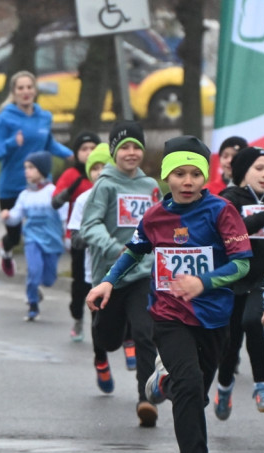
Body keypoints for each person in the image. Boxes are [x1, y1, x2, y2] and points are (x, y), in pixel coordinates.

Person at [87, 136, 252, 453]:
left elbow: (241, 264)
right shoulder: (155, 216)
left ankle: (162, 383)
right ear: (166, 176)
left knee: (192, 391)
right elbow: (135, 250)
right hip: (168, 315)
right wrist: (109, 281)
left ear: (205, 176)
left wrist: (203, 282)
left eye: (196, 173)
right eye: (180, 173)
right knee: (191, 386)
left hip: (212, 318)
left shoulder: (222, 212)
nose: (188, 180)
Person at [79, 122, 162, 426]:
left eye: (136, 147)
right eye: (124, 147)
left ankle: (146, 399)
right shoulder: (105, 183)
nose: (131, 153)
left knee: (144, 333)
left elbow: (159, 223)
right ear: (114, 151)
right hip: (110, 276)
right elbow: (90, 225)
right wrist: (115, 248)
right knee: (109, 338)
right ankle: (103, 349)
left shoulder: (150, 185)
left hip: (143, 272)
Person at [214, 146, 264, 418]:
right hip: (234, 276)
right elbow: (232, 231)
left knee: (252, 320)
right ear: (243, 171)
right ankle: (224, 385)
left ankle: (262, 386)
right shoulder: (228, 199)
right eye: (259, 169)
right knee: (231, 343)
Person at [0, 71, 73, 277]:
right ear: (14, 92)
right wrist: (10, 143)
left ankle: (36, 275)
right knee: (15, 237)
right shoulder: (6, 118)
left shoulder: (44, 117)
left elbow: (48, 143)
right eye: (20, 88)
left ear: (35, 90)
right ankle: (6, 250)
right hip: (12, 185)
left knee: (42, 231)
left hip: (41, 186)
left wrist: (71, 155)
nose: (25, 92)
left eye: (29, 87)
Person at [1, 151, 65, 321]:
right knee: (34, 270)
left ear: (42, 170)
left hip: (52, 241)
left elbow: (65, 216)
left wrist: (68, 235)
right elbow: (16, 217)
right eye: (26, 168)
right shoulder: (25, 195)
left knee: (49, 280)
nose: (26, 171)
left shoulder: (54, 192)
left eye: (31, 167)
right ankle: (33, 304)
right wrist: (8, 217)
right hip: (32, 239)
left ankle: (36, 290)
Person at [52, 131, 101, 341]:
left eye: (92, 148)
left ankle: (105, 323)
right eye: (84, 149)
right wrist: (70, 190)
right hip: (79, 238)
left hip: (104, 239)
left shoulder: (107, 176)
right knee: (80, 281)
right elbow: (55, 202)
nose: (89, 153)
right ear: (76, 153)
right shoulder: (72, 175)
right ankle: (78, 316)